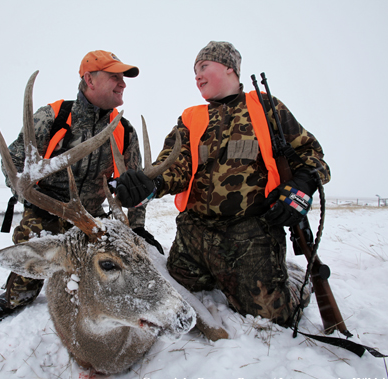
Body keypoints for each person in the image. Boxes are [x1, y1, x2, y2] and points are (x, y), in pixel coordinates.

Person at [114, 41, 330, 328]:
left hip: (249, 233)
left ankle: (288, 277)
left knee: (272, 318)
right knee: (172, 291)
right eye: (194, 71)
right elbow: (176, 167)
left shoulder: (267, 108)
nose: (197, 76)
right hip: (195, 234)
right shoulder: (191, 118)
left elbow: (312, 155)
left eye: (203, 66)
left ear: (230, 68)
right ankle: (223, 274)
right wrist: (147, 184)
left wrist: (302, 186)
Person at [0, 50, 163, 324]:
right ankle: (16, 294)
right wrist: (26, 192)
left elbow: (131, 184)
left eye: (123, 77)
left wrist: (136, 226)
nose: (122, 83)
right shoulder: (52, 117)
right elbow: (13, 165)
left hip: (91, 216)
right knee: (33, 259)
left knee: (121, 263)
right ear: (89, 79)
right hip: (48, 210)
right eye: (114, 76)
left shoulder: (124, 130)